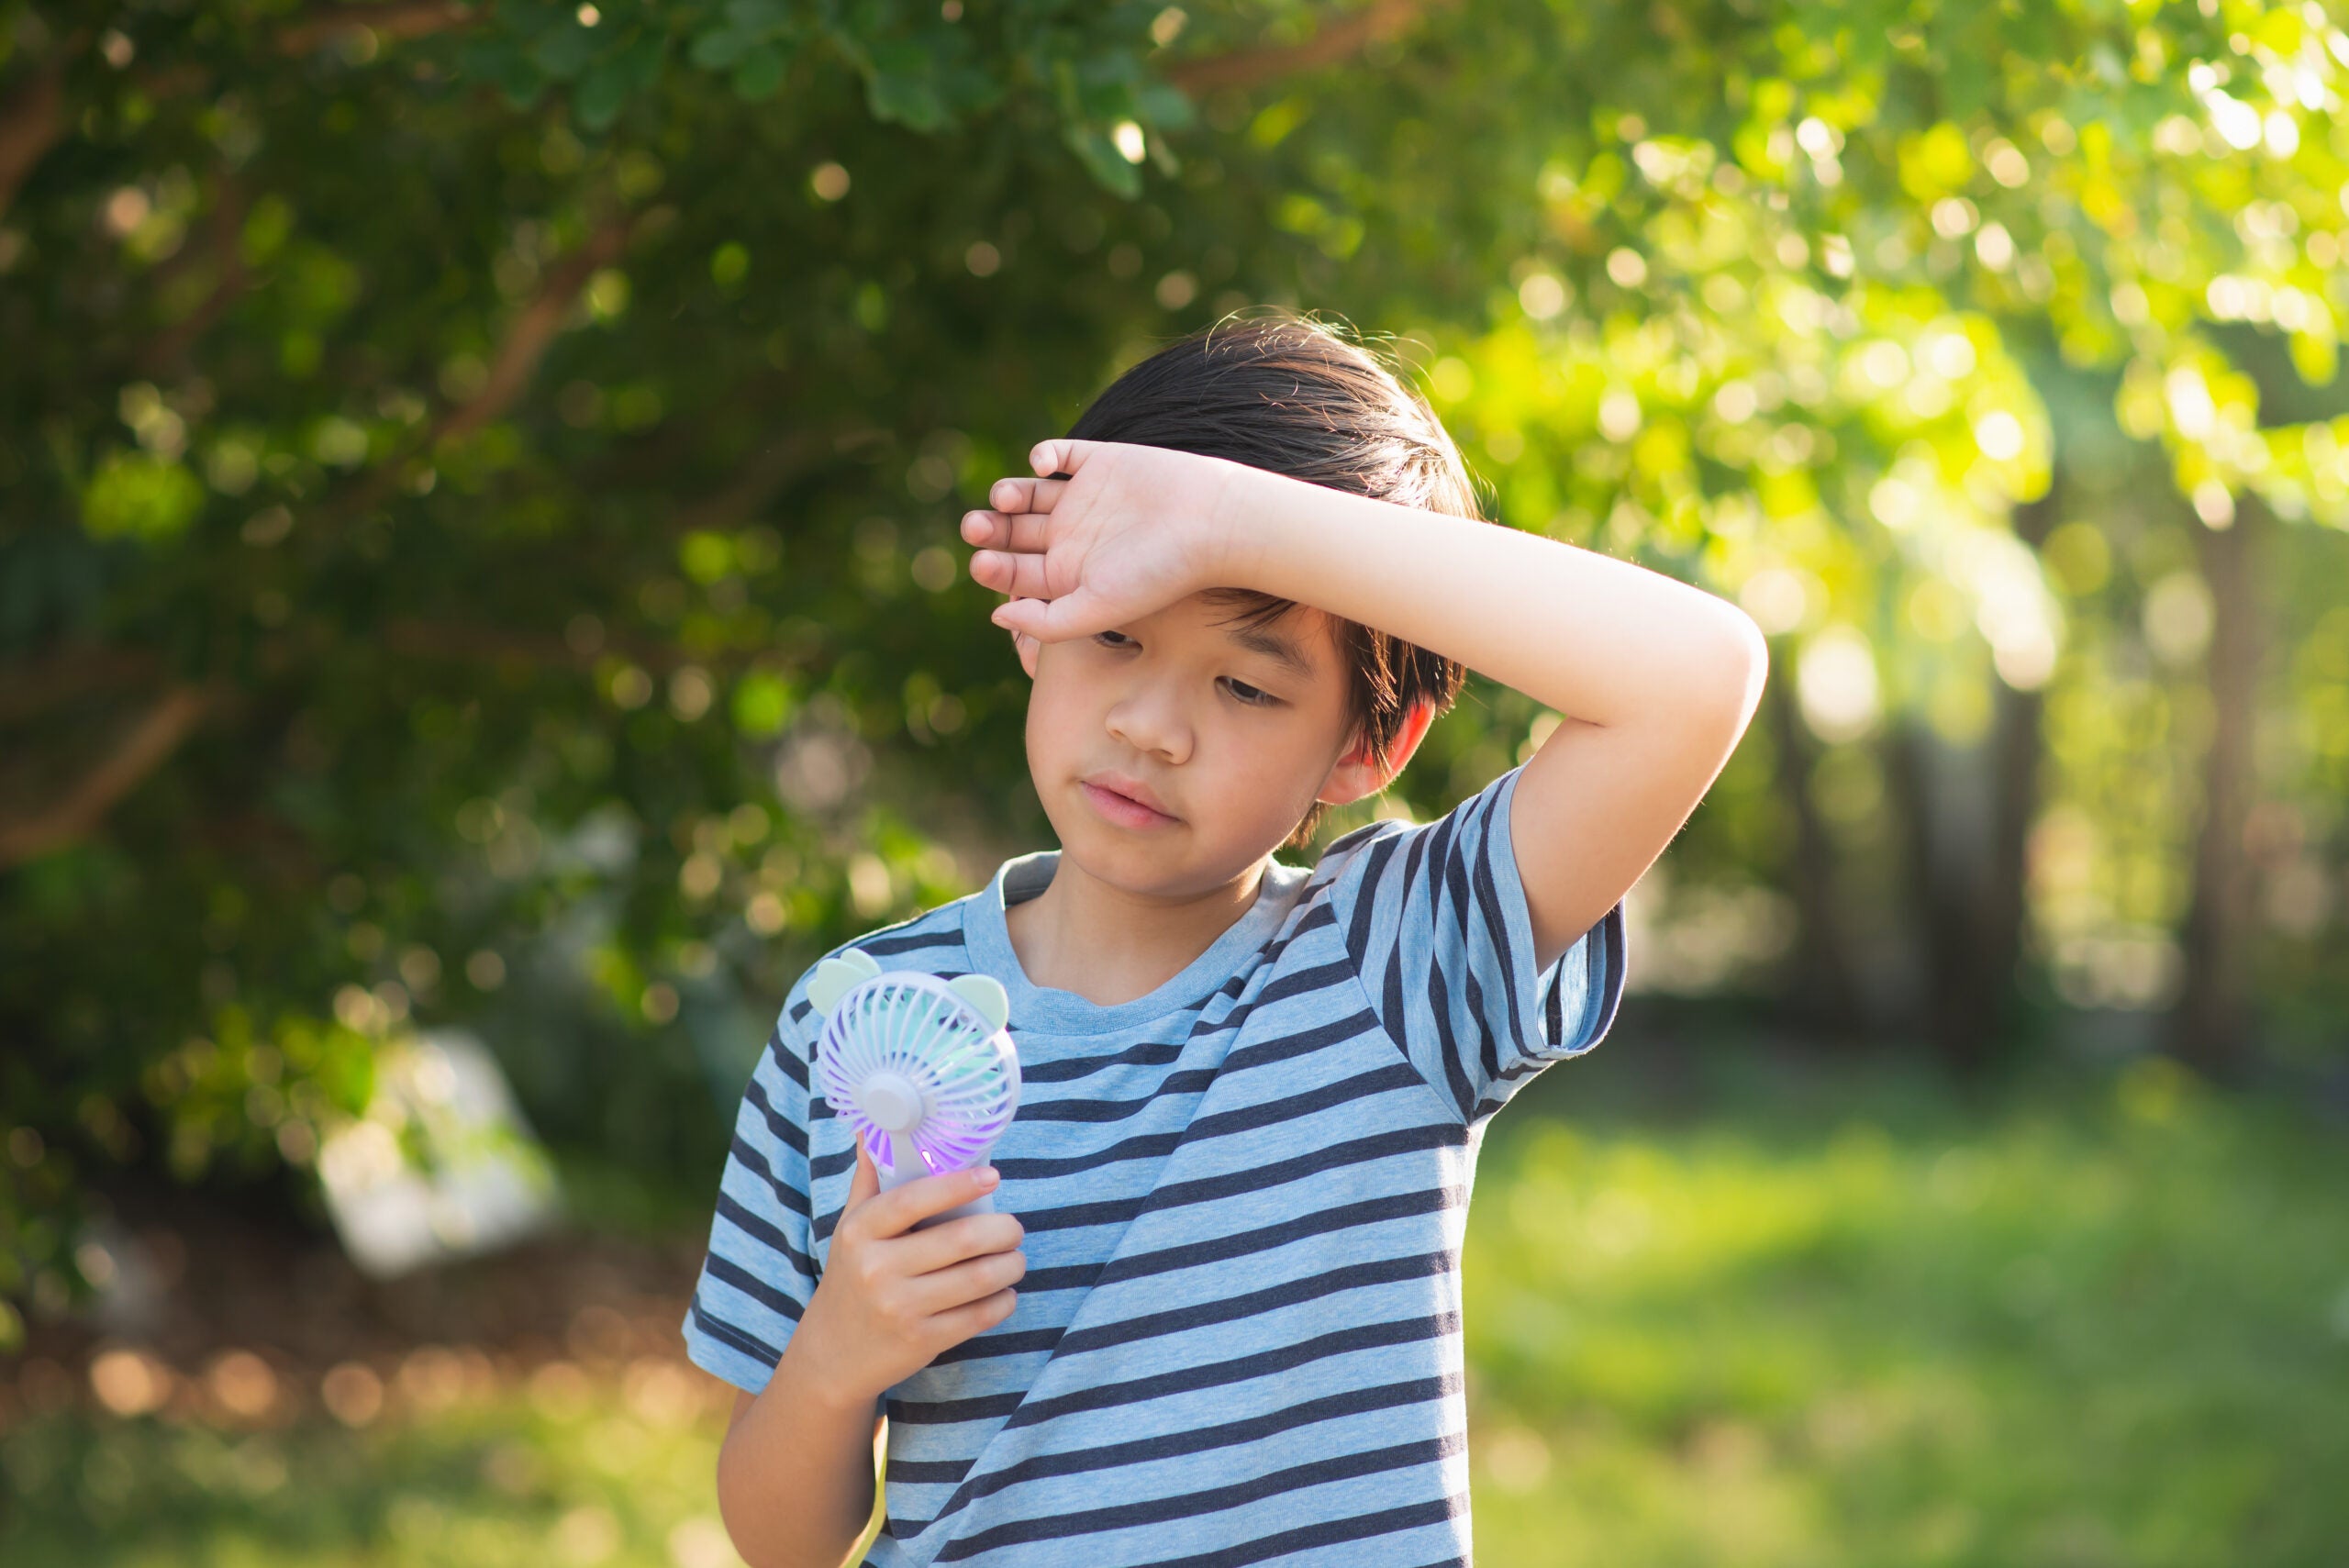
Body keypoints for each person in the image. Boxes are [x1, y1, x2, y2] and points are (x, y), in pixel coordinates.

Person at [680, 312, 1767, 1568]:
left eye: (1245, 685)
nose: (1153, 726)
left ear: (1370, 746)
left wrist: (1229, 520)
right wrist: (833, 1361)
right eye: (1117, 634)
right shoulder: (857, 1018)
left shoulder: (1393, 965)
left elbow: (1695, 674)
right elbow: (779, 1539)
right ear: (1037, 611)